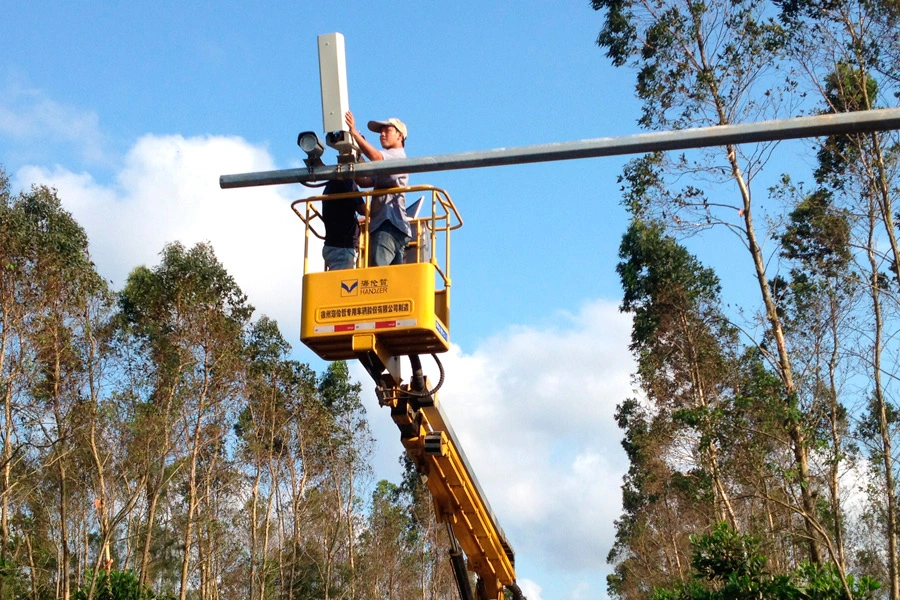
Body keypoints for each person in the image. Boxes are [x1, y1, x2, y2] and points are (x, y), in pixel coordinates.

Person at [345, 110, 412, 266]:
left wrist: (354, 134)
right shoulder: (386, 163)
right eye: (380, 131)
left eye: (387, 130)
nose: (382, 134)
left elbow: (376, 158)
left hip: (387, 223)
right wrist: (353, 157)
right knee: (391, 281)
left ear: (400, 136)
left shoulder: (397, 157)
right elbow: (365, 181)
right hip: (393, 224)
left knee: (378, 273)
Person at [321, 178, 364, 270]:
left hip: (334, 246)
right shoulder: (347, 181)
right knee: (341, 283)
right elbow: (363, 209)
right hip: (342, 249)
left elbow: (339, 214)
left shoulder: (331, 184)